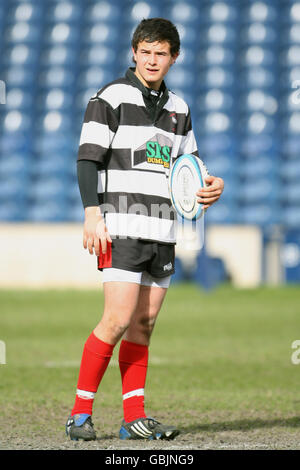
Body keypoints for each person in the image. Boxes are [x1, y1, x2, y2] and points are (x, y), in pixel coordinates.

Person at [66, 17, 224, 441]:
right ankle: (80, 414)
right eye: (146, 51)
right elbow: (87, 159)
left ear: (174, 58)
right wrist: (91, 214)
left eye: (162, 53)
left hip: (164, 229)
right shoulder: (110, 97)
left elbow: (190, 168)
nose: (153, 60)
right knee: (117, 319)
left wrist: (212, 186)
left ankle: (133, 418)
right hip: (120, 225)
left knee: (145, 322)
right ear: (134, 52)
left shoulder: (180, 108)